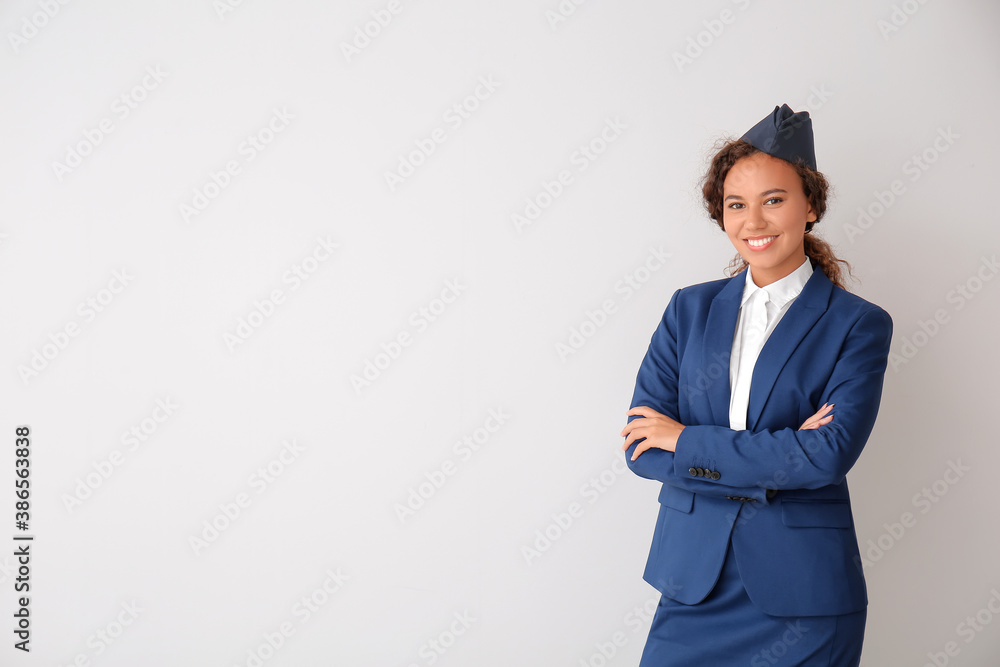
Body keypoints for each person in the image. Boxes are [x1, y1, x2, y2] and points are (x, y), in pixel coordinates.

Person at [619, 104, 892, 666]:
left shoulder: (858, 324)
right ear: (720, 216)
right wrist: (781, 452)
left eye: (774, 200)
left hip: (805, 597)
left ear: (810, 205)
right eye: (735, 205)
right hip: (694, 584)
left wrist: (688, 440)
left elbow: (825, 457)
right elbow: (642, 447)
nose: (754, 221)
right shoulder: (687, 310)